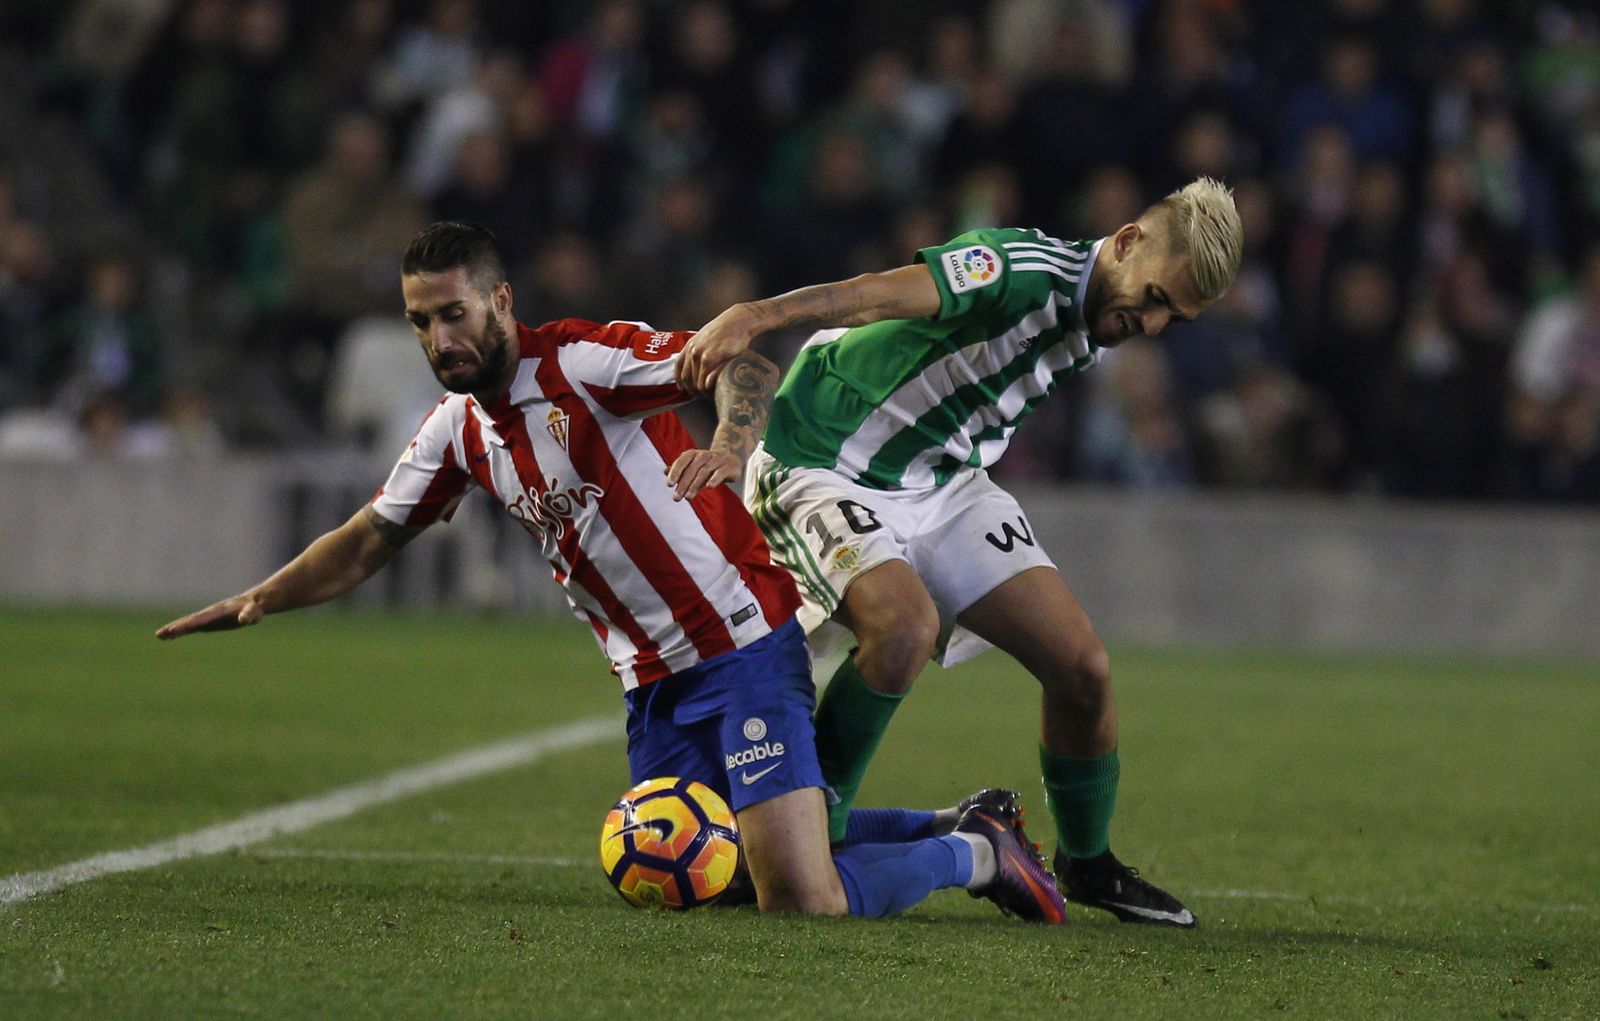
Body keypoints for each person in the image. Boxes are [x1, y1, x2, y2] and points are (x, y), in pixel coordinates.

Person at [156, 221, 1064, 923]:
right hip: (653, 686)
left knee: (798, 895)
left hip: (740, 643)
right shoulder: (456, 433)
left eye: (453, 313)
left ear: (500, 300)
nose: (439, 337)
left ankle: (978, 854)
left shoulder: (584, 363)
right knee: (715, 875)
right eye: (421, 322)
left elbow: (739, 357)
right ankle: (953, 819)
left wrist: (730, 441)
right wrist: (260, 597)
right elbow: (367, 537)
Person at [676, 177, 1245, 928]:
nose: (1154, 323)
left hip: (939, 478)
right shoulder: (1014, 269)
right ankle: (816, 829)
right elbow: (873, 293)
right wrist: (755, 315)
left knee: (1082, 669)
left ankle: (1087, 861)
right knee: (902, 627)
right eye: (1157, 298)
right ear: (1127, 241)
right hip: (821, 455)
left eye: (1175, 314)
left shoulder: (1101, 310)